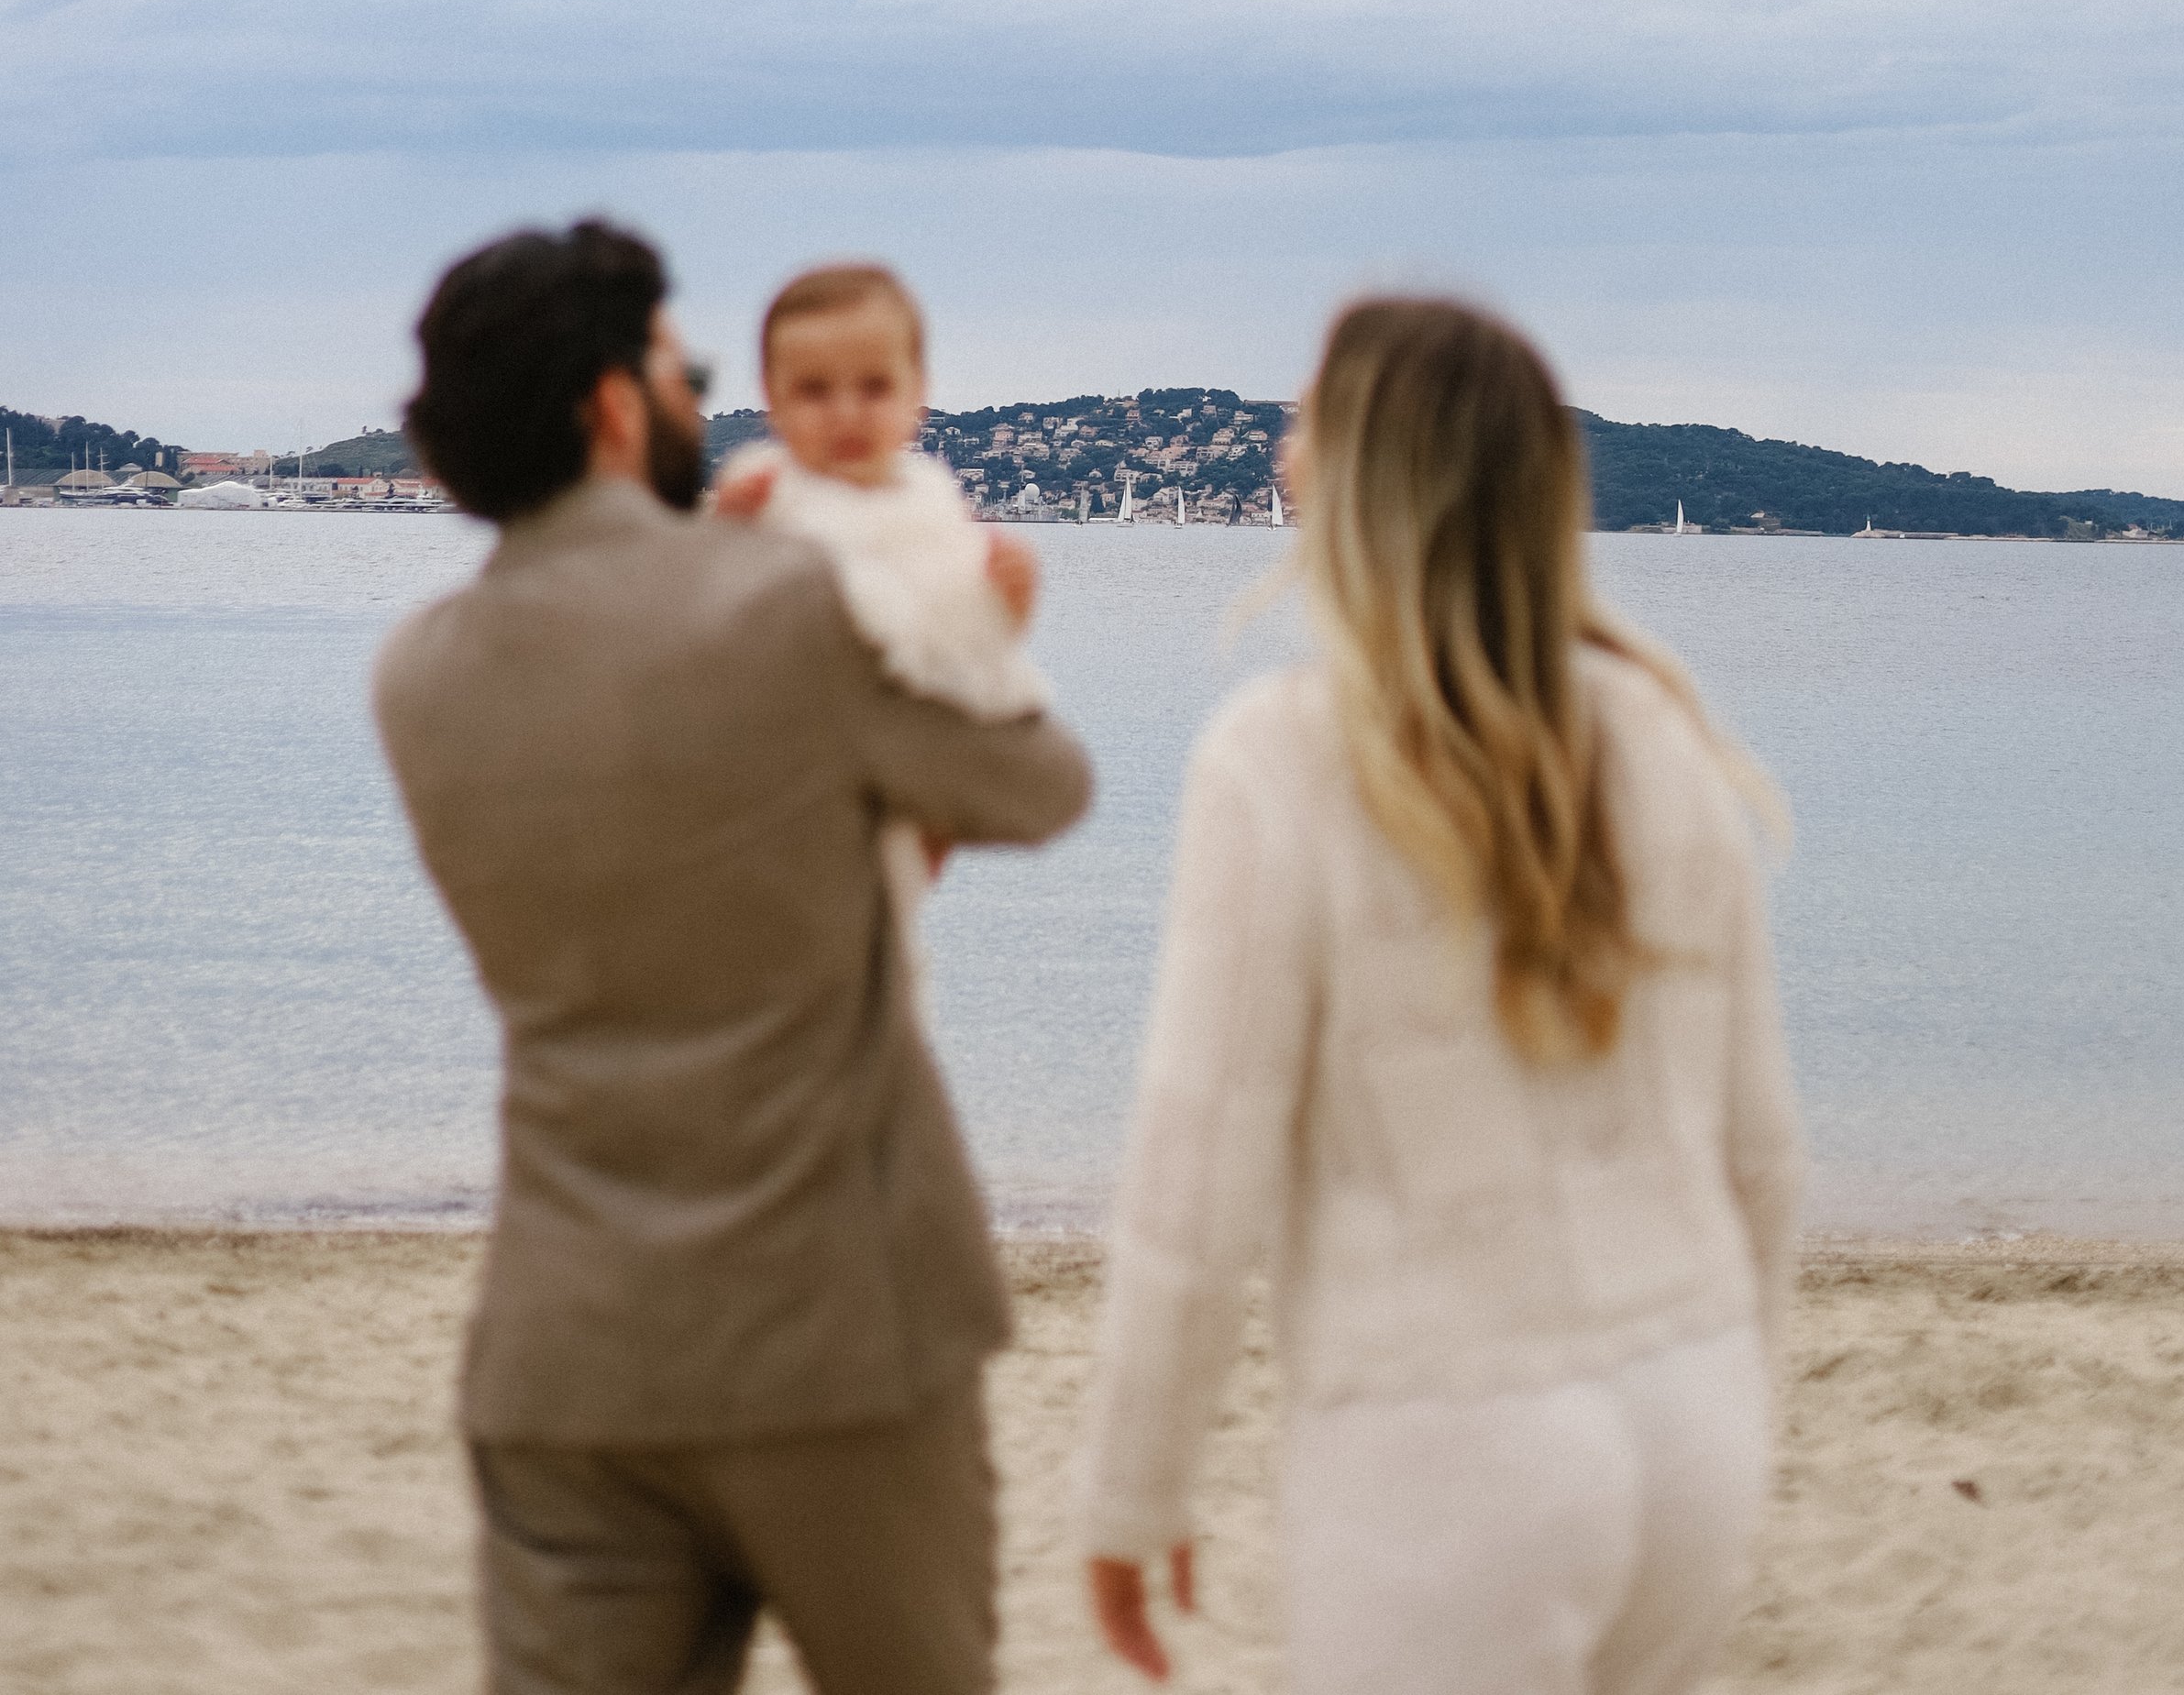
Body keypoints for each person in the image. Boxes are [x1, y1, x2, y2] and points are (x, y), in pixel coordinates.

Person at [373, 218, 1092, 1695]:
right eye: (683, 368)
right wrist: (991, 636)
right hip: (838, 1335)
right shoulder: (788, 607)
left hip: (565, 1350)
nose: (703, 395)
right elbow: (1042, 787)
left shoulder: (420, 673)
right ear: (615, 408)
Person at [1078, 296, 1801, 1695]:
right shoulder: (1663, 731)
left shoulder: (1280, 759)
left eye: (1300, 422)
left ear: (1357, 480)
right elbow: (1763, 1158)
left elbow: (1194, 1183)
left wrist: (1130, 1491)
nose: (1278, 452)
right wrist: (1733, 1392)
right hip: (1691, 1411)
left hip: (1447, 1444)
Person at [714, 261, 1049, 992]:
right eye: (813, 390)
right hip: (777, 779)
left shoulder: (931, 504)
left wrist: (1005, 613)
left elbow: (966, 648)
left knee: (883, 956)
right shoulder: (764, 493)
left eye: (873, 387)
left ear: (917, 396)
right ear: (770, 400)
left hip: (901, 772)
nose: (845, 413)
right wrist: (719, 542)